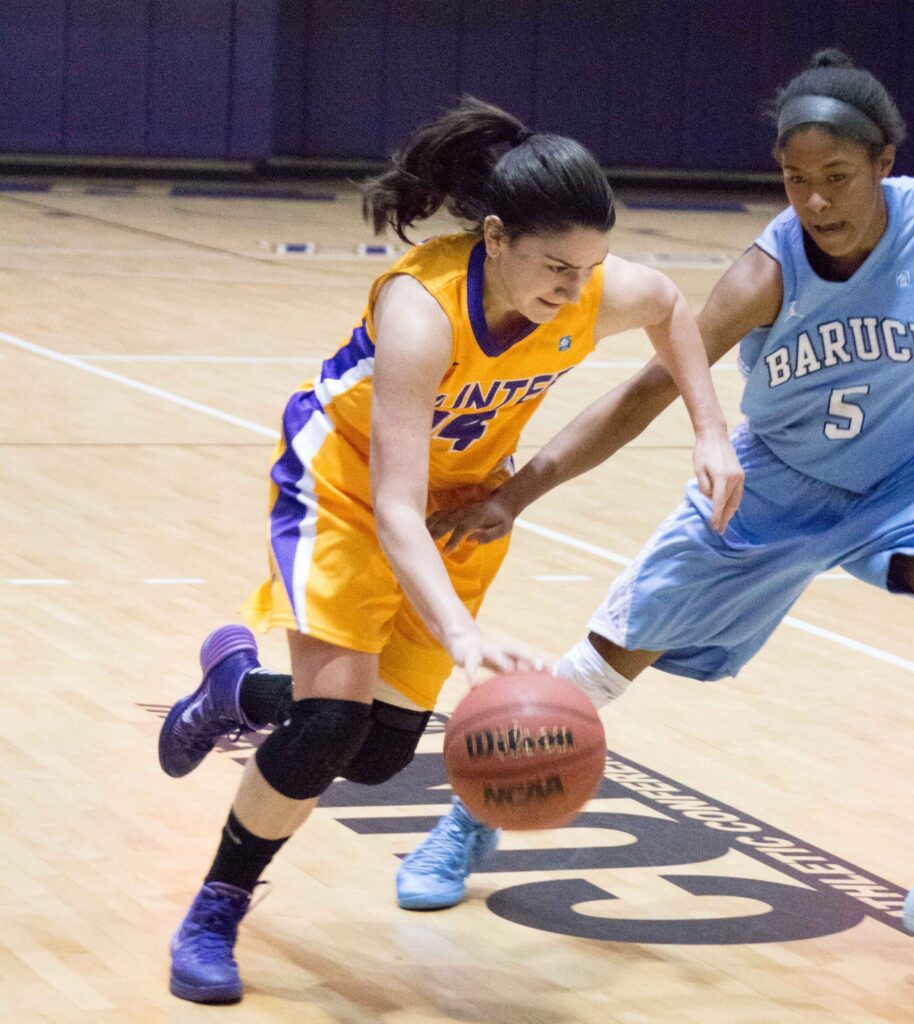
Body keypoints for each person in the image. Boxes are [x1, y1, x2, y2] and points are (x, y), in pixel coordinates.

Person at [404, 50, 914, 955]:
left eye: (837, 178)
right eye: (794, 179)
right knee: (607, 659)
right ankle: (472, 817)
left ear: (887, 161)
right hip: (769, 487)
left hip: (911, 480)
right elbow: (644, 391)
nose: (814, 201)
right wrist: (520, 493)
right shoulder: (765, 273)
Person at [159, 96, 743, 1003]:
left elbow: (671, 309)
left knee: (381, 753)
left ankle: (235, 689)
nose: (573, 288)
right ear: (497, 237)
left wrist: (712, 431)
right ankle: (215, 910)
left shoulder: (591, 286)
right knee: (326, 728)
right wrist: (466, 635)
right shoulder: (422, 312)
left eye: (588, 266)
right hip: (348, 485)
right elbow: (391, 507)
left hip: (462, 500)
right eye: (554, 266)